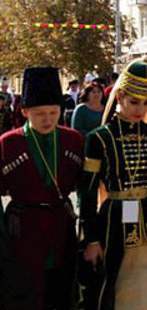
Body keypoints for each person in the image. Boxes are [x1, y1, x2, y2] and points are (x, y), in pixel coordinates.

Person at [78, 58, 147, 310]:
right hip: (113, 223)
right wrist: (90, 239)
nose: (140, 109)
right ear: (120, 96)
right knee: (118, 287)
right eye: (134, 102)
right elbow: (88, 192)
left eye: (146, 103)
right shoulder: (98, 139)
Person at [0, 67, 84, 309]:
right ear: (25, 111)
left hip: (61, 227)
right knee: (26, 293)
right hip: (23, 231)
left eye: (53, 112)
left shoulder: (73, 140)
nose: (47, 119)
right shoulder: (9, 143)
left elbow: (86, 188)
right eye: (39, 113)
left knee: (61, 292)